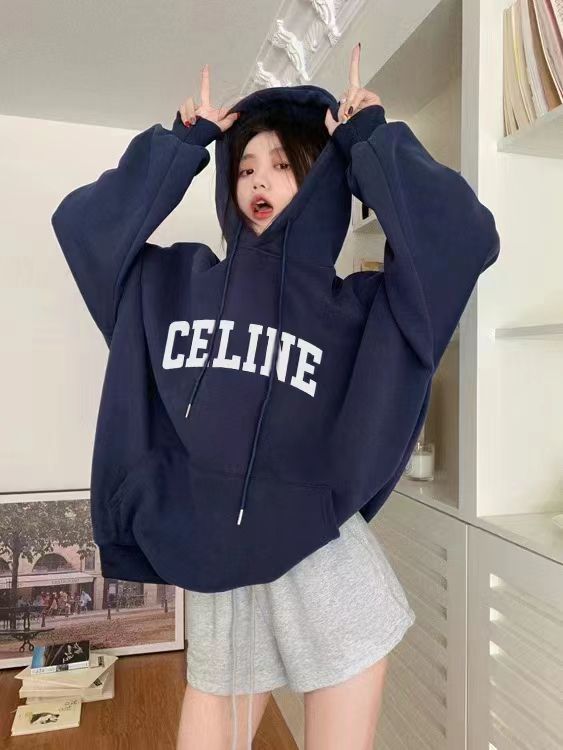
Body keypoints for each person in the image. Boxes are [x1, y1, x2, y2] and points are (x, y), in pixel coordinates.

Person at [51, 42, 500, 750]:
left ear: (321, 179)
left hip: (323, 567)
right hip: (221, 570)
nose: (259, 177)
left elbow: (461, 238)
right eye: (246, 166)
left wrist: (371, 141)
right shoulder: (172, 285)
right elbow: (83, 228)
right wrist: (181, 147)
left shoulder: (359, 309)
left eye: (284, 164)